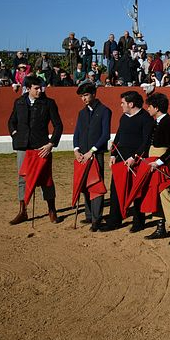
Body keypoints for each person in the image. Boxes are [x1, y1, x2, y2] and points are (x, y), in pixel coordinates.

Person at [7, 75, 64, 225]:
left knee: (46, 179)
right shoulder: (19, 102)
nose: (40, 91)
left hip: (41, 147)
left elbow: (58, 125)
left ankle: (52, 210)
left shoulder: (48, 103)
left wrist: (51, 144)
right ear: (28, 88)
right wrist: (15, 134)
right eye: (36, 88)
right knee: (22, 178)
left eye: (41, 88)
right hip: (23, 146)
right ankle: (23, 211)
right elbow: (12, 121)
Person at [104, 91, 154, 231]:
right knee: (116, 189)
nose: (121, 105)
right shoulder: (124, 117)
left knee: (137, 190)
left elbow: (146, 142)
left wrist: (134, 157)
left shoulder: (145, 118)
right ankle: (114, 220)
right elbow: (118, 136)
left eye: (123, 103)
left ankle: (139, 222)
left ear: (131, 104)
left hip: (136, 160)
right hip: (121, 158)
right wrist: (113, 155)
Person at [143, 92, 170, 245]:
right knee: (154, 192)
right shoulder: (155, 122)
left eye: (150, 107)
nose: (148, 109)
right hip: (151, 160)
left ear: (157, 108)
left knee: (165, 193)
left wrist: (160, 162)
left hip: (161, 162)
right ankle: (160, 226)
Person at [72, 83, 111, 231]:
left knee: (96, 185)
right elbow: (77, 133)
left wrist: (92, 151)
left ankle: (97, 218)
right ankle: (89, 215)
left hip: (95, 154)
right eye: (82, 96)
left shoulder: (104, 111)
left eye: (86, 95)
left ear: (94, 94)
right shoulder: (82, 113)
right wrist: (76, 150)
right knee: (84, 185)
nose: (83, 99)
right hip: (82, 154)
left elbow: (105, 135)